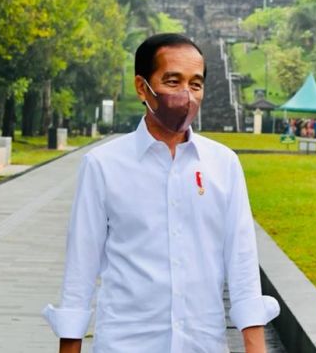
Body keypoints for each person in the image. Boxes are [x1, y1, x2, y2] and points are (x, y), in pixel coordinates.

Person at [43, 33, 279, 353]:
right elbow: (79, 272)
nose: (186, 95)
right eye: (172, 81)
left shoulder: (223, 165)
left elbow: (242, 264)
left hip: (202, 344)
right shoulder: (103, 166)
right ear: (142, 87)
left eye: (195, 84)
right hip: (125, 345)